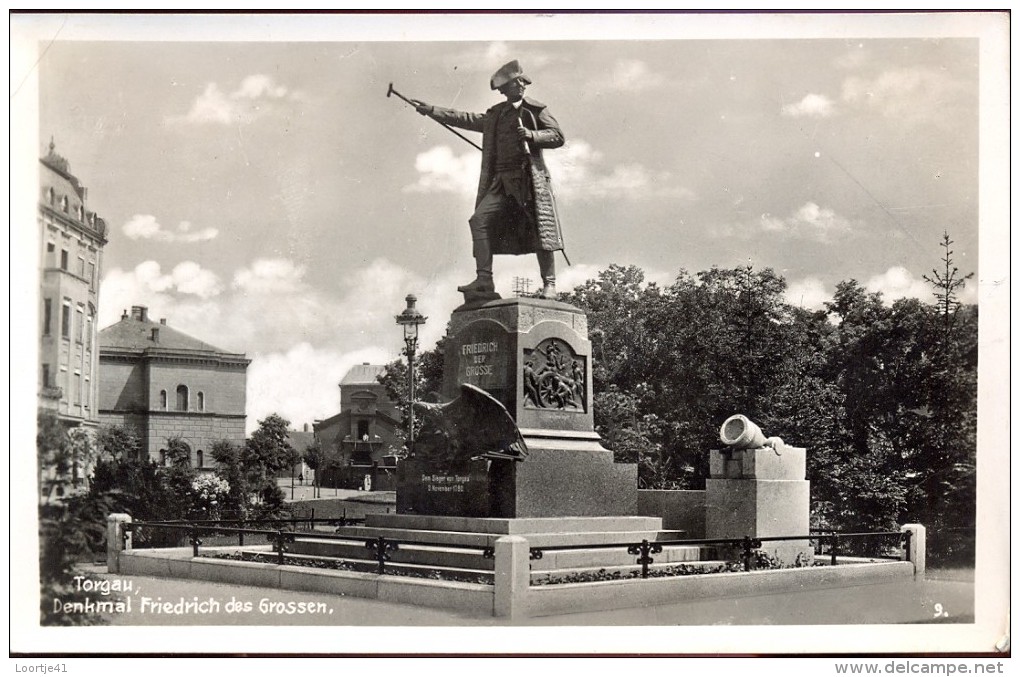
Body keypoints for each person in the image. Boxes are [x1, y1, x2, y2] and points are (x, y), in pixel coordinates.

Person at [412, 60, 566, 299]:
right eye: (516, 84)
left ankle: (550, 284)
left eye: (522, 82)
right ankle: (484, 280)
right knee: (479, 220)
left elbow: (557, 136)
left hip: (528, 180)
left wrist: (532, 134)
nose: (521, 86)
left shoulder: (536, 110)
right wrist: (432, 110)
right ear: (505, 90)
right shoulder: (496, 114)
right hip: (501, 181)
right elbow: (466, 119)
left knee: (540, 228)